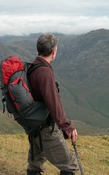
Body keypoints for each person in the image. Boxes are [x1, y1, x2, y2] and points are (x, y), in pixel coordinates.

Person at [27, 33, 79, 175]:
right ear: (53, 51)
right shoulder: (44, 72)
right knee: (69, 166)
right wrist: (67, 127)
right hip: (45, 127)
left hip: (35, 126)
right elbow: (53, 102)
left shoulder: (34, 67)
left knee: (35, 165)